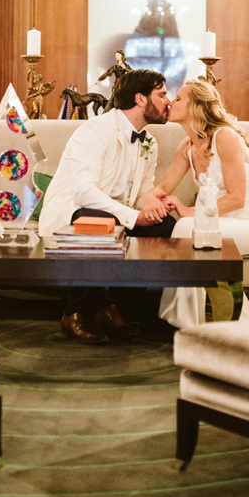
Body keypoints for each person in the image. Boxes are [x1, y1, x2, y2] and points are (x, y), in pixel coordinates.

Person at [39, 69, 175, 343]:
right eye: (161, 95)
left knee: (166, 226)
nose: (168, 101)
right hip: (72, 212)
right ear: (140, 99)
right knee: (101, 223)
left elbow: (140, 194)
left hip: (117, 216)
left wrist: (153, 204)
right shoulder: (94, 130)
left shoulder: (149, 141)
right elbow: (84, 192)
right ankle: (74, 313)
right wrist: (134, 217)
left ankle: (113, 306)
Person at [153, 79, 249, 328]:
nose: (170, 102)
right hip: (219, 221)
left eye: (178, 98)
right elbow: (163, 188)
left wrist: (190, 212)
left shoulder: (224, 137)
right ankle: (203, 318)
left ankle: (196, 321)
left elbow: (237, 198)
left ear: (197, 106)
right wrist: (148, 199)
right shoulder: (186, 148)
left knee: (186, 229)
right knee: (183, 229)